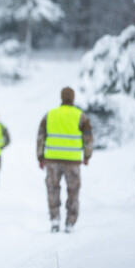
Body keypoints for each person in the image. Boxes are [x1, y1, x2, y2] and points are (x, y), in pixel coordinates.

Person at [37, 87, 94, 233]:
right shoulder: (81, 116)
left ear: (61, 97)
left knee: (53, 189)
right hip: (73, 161)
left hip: (52, 160)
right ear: (73, 98)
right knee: (73, 191)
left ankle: (55, 219)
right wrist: (87, 156)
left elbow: (41, 137)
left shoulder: (50, 115)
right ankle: (70, 223)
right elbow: (88, 138)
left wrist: (40, 157)